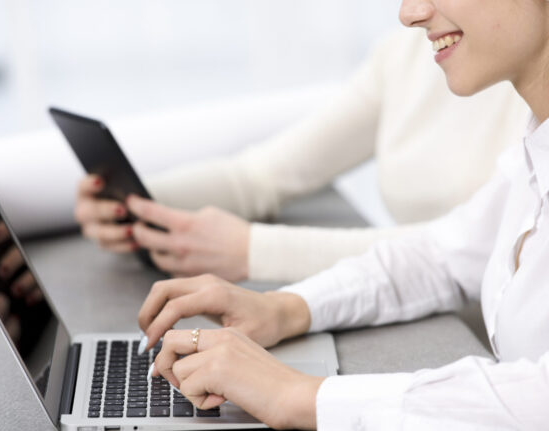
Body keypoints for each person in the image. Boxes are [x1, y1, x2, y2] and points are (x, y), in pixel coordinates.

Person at [131, 0, 549, 429]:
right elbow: (440, 255)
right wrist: (284, 308)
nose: (409, 13)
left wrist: (296, 394)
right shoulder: (534, 147)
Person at [74, 26, 528, 284]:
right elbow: (262, 176)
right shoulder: (412, 51)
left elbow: (469, 251)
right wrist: (136, 198)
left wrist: (253, 250)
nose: (409, 13)